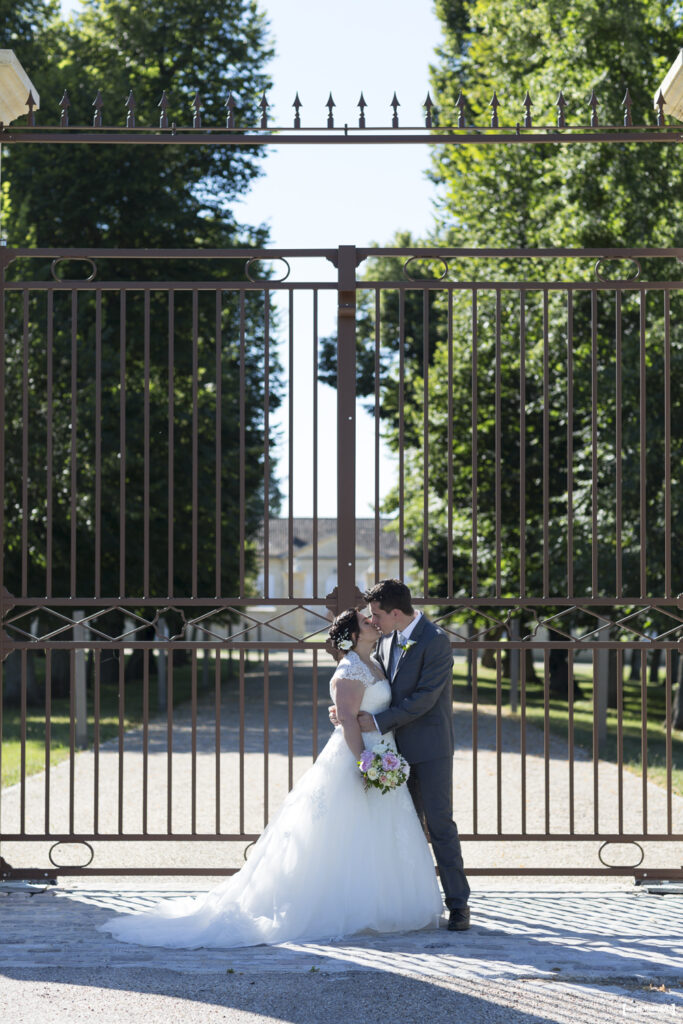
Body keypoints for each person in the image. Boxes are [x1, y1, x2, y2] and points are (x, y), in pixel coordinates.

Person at [97, 609, 443, 949]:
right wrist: (363, 764)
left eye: (373, 617)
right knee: (344, 831)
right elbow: (349, 722)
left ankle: (380, 902)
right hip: (361, 758)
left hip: (384, 753)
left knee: (380, 830)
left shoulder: (374, 661)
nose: (373, 621)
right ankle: (345, 906)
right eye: (366, 621)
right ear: (353, 635)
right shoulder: (351, 668)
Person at [333, 579, 470, 931]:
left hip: (430, 750)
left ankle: (458, 904)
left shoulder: (436, 641)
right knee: (399, 830)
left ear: (396, 612)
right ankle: (403, 903)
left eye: (377, 614)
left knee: (439, 825)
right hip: (391, 750)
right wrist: (344, 713)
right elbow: (369, 685)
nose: (372, 620)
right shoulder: (386, 639)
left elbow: (424, 698)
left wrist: (375, 721)